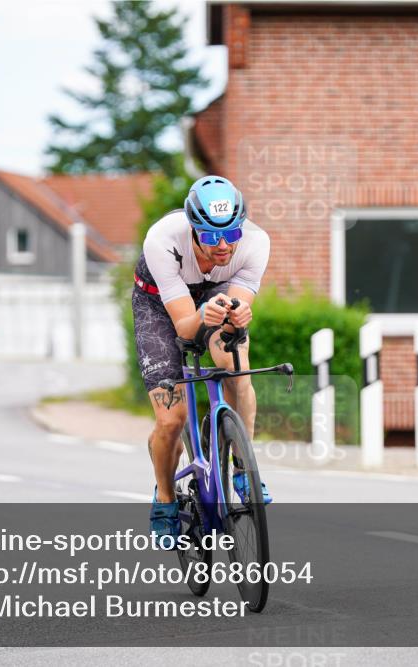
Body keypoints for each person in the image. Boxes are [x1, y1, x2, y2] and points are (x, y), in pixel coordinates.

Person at [132, 175, 271, 546]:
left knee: (235, 365)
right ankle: (164, 497)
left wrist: (239, 316)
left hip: (216, 294)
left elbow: (238, 304)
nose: (224, 246)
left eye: (231, 235)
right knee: (171, 419)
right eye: (211, 236)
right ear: (193, 228)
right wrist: (202, 313)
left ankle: (242, 466)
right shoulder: (162, 240)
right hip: (160, 306)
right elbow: (183, 326)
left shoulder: (256, 243)